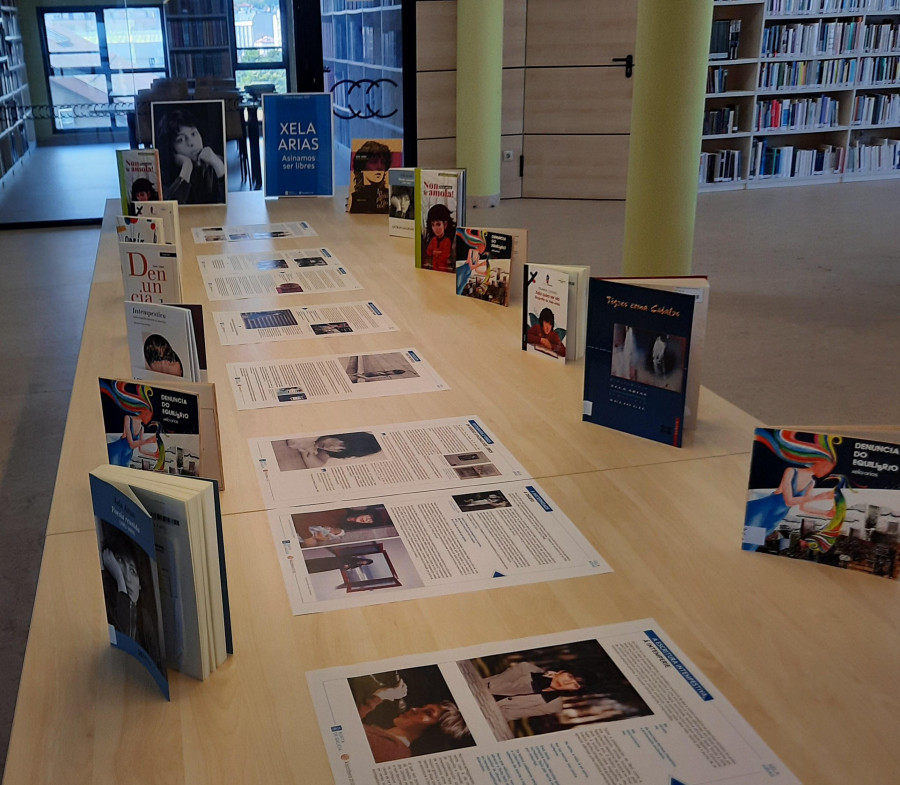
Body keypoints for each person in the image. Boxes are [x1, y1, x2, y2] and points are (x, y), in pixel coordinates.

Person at [742, 430, 839, 551]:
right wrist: (818, 497)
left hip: (776, 517)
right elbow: (788, 500)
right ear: (818, 461)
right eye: (826, 467)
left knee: (753, 546)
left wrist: (825, 513)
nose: (826, 472)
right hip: (762, 511)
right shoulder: (791, 471)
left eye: (829, 470)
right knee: (749, 545)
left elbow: (804, 507)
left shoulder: (811, 482)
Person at [99, 525, 163, 673]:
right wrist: (120, 582)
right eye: (120, 561)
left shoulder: (145, 619)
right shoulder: (107, 599)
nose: (127, 576)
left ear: (140, 585)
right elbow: (124, 635)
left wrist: (121, 580)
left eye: (133, 571)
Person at [357, 681, 470, 763]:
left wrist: (380, 696)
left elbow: (346, 732)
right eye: (423, 707)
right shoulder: (389, 741)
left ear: (432, 733)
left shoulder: (393, 751)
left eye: (428, 713)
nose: (414, 709)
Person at [157, 108, 226, 205]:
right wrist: (187, 167)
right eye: (180, 140)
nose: (191, 143)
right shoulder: (165, 173)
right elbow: (170, 209)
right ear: (171, 148)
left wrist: (218, 165)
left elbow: (225, 207)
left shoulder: (217, 162)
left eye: (193, 134)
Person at [483, 662, 588, 721]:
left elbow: (507, 715)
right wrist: (535, 685)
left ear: (573, 690)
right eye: (570, 676)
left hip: (485, 715)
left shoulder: (553, 705)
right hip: (477, 692)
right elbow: (493, 687)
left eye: (574, 685)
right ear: (560, 672)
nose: (566, 682)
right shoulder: (526, 668)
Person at [100, 381, 160, 468]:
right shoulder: (128, 418)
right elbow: (131, 444)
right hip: (116, 452)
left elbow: (140, 449)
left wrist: (153, 454)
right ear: (143, 412)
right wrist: (148, 441)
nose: (149, 419)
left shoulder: (141, 428)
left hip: (127, 457)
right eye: (149, 416)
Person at [284, 432, 382, 469]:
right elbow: (292, 443)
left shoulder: (331, 449)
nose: (331, 448)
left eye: (341, 449)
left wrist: (308, 450)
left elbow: (317, 465)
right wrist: (309, 448)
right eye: (340, 443)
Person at [348, 141, 392, 214]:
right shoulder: (354, 198)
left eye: (383, 162)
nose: (379, 167)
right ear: (362, 166)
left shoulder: (390, 196)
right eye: (374, 162)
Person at [422, 203, 456, 272]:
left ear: (445, 224)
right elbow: (428, 252)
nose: (435, 228)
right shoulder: (433, 240)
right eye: (432, 225)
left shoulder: (447, 241)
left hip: (444, 270)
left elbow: (445, 255)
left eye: (438, 224)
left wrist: (435, 253)